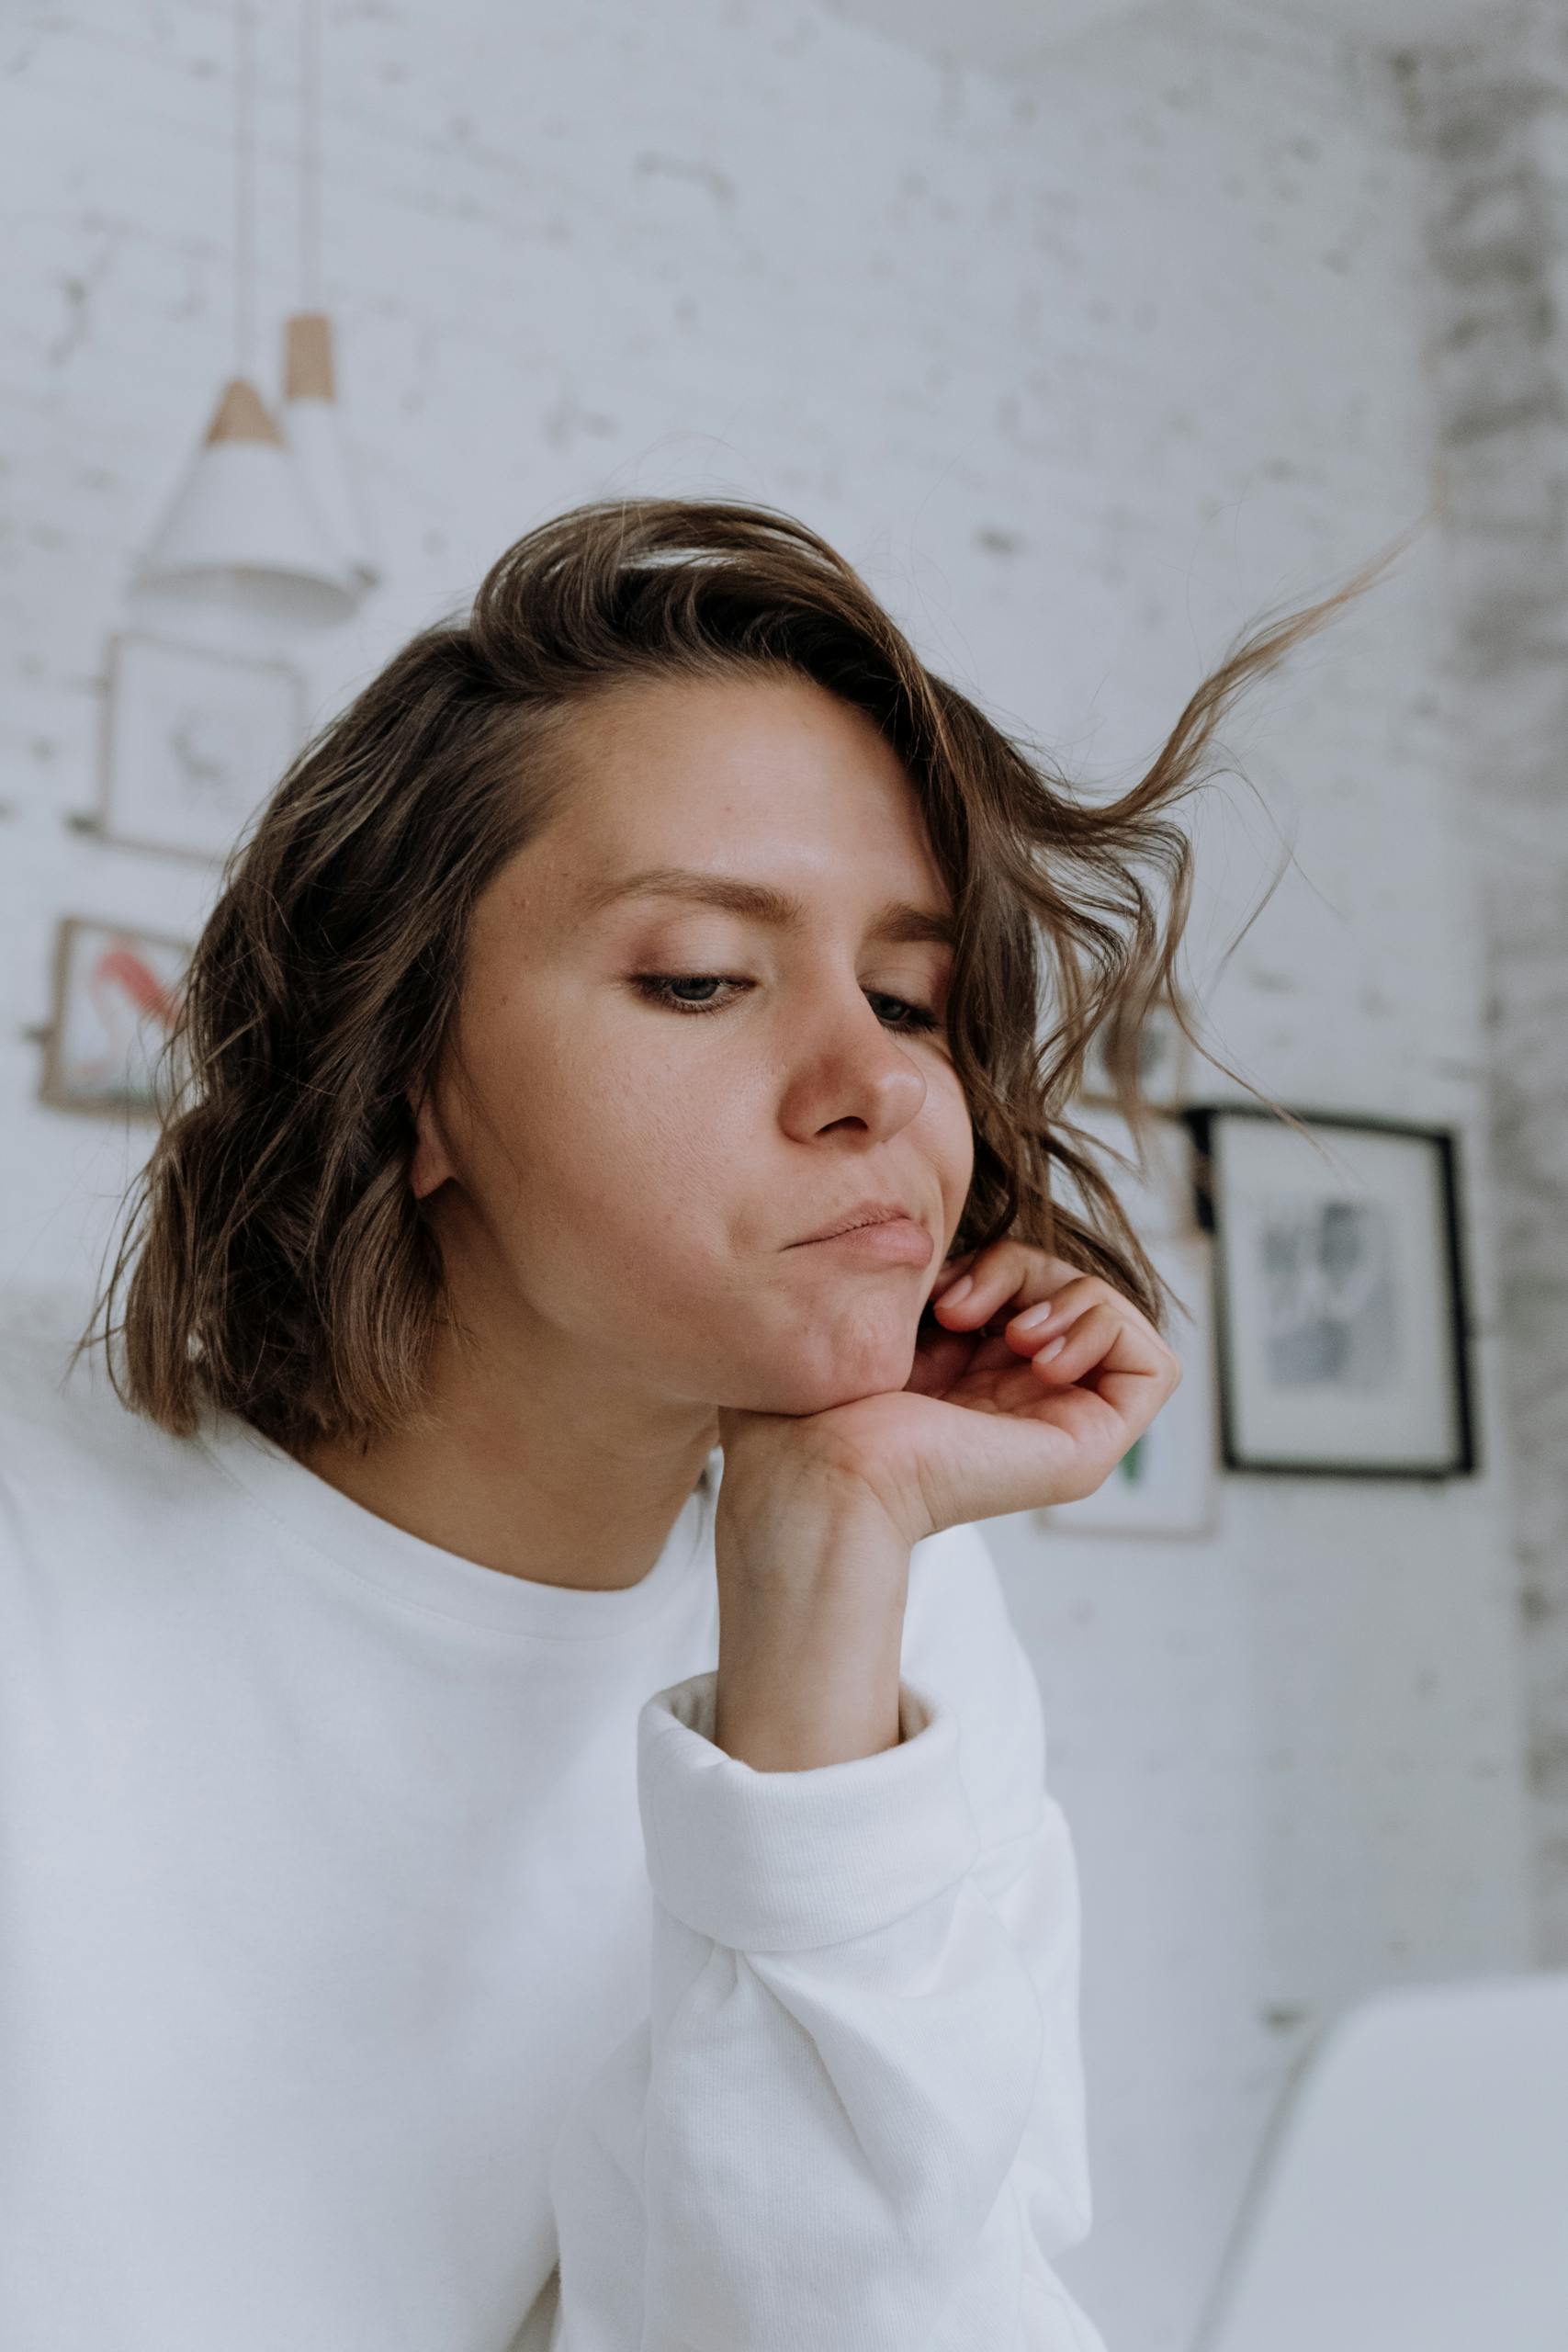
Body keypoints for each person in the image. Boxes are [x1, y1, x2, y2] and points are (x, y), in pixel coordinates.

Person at [0, 495, 1401, 2349]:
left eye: (906, 996)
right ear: (400, 1076)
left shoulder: (899, 1630)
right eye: (696, 978)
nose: (872, 1083)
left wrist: (819, 1572)